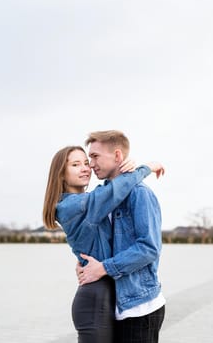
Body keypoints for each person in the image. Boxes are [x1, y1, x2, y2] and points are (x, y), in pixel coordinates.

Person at [42, 144, 164, 343]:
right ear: (61, 175)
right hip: (94, 299)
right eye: (75, 164)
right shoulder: (73, 206)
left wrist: (127, 167)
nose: (85, 168)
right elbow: (114, 191)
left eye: (85, 162)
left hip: (107, 296)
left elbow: (112, 190)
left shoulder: (90, 201)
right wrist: (147, 167)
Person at [77, 130, 166, 343]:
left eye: (95, 156)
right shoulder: (102, 195)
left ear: (117, 156)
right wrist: (83, 263)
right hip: (112, 307)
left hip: (140, 309)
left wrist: (104, 268)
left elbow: (149, 248)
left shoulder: (140, 194)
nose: (90, 164)